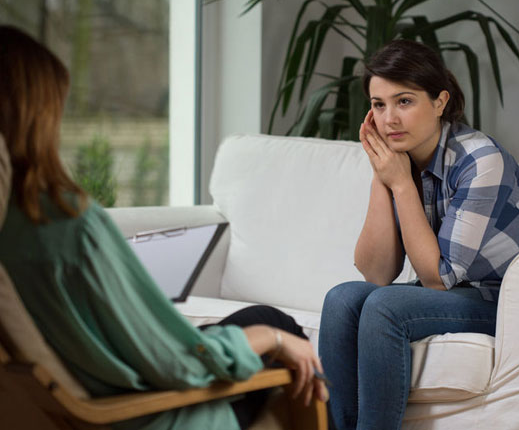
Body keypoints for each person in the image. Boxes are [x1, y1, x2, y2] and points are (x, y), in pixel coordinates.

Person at [0, 25, 328, 430]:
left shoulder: (12, 227)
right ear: (38, 113)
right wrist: (274, 340)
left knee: (250, 320)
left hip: (68, 401)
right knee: (276, 325)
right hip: (150, 414)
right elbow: (180, 365)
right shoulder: (64, 226)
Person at [318, 39, 519, 430]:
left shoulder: (480, 159)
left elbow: (437, 280)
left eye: (404, 101)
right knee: (342, 299)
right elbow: (376, 273)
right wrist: (382, 177)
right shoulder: (400, 158)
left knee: (385, 307)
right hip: (454, 294)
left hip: (504, 302)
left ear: (440, 102)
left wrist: (402, 186)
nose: (389, 119)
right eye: (379, 104)